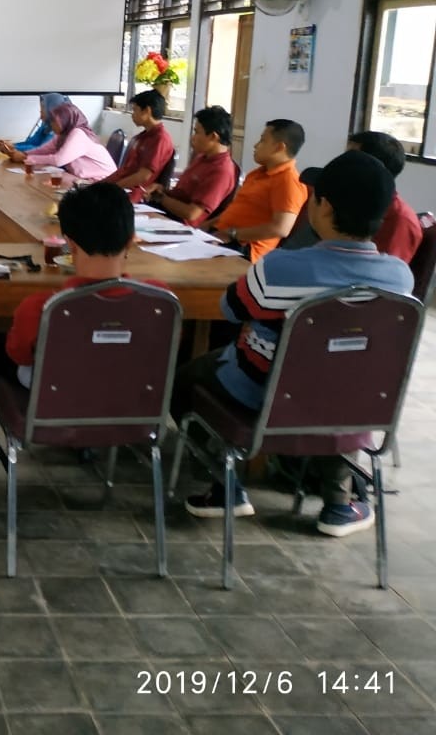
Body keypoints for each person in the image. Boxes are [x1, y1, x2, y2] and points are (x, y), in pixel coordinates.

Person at [176, 150, 413, 535]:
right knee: (341, 379)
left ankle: (225, 486)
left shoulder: (281, 268)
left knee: (188, 379)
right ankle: (339, 504)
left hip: (266, 395)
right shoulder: (400, 279)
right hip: (358, 403)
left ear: (324, 206)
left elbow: (230, 308)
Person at [0, 184, 160, 471]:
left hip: (56, 403)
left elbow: (19, 355)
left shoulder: (44, 308)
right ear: (131, 241)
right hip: (127, 404)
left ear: (69, 244)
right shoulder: (157, 300)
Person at [287, 131, 422, 262]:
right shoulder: (337, 198)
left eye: (350, 157)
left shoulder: (400, 221)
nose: (341, 162)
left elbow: (378, 279)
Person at [203, 119, 307, 262]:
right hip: (222, 236)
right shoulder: (258, 173)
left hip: (244, 248)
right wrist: (206, 225)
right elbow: (235, 211)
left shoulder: (288, 181)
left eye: (262, 141)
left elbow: (281, 228)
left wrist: (232, 234)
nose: (256, 145)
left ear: (279, 147)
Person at [144, 106, 238, 227]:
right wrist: (162, 190)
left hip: (180, 224)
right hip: (167, 212)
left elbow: (192, 213)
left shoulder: (222, 171)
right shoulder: (202, 158)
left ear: (213, 137)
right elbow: (182, 195)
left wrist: (161, 198)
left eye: (197, 132)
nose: (193, 137)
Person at [5, 103, 117, 180]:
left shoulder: (78, 134)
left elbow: (58, 160)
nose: (52, 124)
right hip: (83, 180)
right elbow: (46, 149)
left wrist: (26, 158)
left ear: (65, 121)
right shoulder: (63, 134)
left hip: (102, 182)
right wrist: (24, 154)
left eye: (55, 121)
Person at [101, 89, 175, 202]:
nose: (132, 115)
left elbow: (143, 176)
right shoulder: (143, 136)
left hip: (132, 194)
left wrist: (113, 188)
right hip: (121, 188)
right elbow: (125, 170)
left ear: (147, 111)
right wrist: (101, 185)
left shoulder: (160, 139)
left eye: (135, 110)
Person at [3, 93, 70, 154]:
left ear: (51, 110)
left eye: (42, 111)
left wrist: (14, 147)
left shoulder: (59, 128)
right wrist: (11, 146)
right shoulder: (46, 125)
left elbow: (41, 150)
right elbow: (32, 142)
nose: (40, 117)